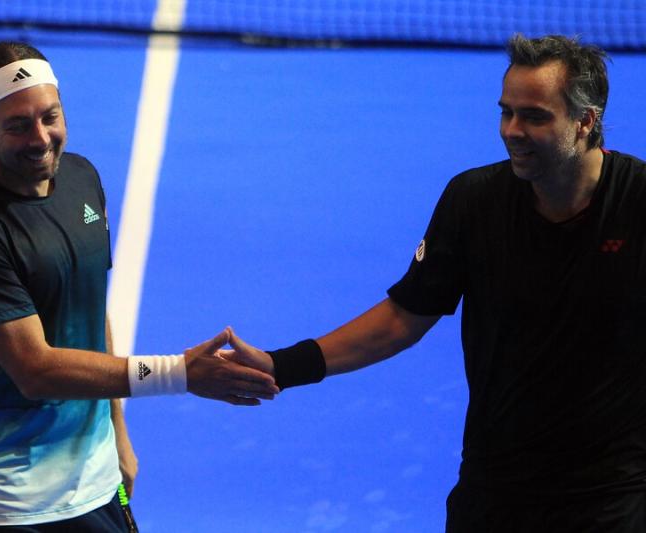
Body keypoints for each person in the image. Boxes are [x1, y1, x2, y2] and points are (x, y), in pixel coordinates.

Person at [225, 34, 646, 531]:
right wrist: (283, 365)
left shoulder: (637, 201)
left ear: (585, 121)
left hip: (611, 494)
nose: (512, 130)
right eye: (506, 112)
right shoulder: (474, 201)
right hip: (495, 488)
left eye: (534, 117)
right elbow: (403, 318)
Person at [0, 41, 278, 532]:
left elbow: (89, 307)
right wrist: (179, 373)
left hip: (94, 480)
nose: (41, 138)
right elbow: (36, 371)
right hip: (4, 502)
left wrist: (117, 433)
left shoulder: (81, 179)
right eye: (18, 126)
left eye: (50, 117)